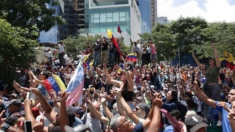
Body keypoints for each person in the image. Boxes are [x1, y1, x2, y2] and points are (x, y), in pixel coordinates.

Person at [192, 44, 221, 122]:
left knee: (216, 102)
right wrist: (194, 57)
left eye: (212, 60)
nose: (210, 60)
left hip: (214, 86)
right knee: (205, 102)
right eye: (209, 60)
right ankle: (206, 119)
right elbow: (198, 64)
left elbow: (217, 57)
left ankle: (219, 119)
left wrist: (214, 48)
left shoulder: (217, 67)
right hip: (207, 87)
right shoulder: (207, 67)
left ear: (214, 61)